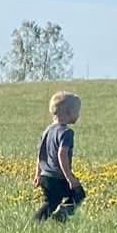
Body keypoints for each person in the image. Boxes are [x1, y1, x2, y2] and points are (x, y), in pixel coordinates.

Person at [33, 90, 86, 221]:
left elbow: (40, 154)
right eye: (77, 112)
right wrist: (69, 177)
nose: (78, 115)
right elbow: (62, 155)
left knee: (51, 202)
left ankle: (39, 223)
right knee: (78, 193)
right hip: (58, 176)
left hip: (46, 176)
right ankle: (60, 216)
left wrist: (38, 174)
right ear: (68, 113)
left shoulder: (47, 131)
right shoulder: (66, 132)